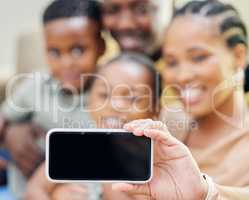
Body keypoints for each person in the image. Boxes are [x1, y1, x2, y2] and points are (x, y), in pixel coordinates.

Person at [110, 1, 249, 199]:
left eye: (199, 57)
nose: (182, 76)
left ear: (238, 56)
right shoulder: (158, 125)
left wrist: (206, 192)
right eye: (171, 62)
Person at [0, 0, 104, 199]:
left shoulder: (109, 93)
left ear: (101, 46)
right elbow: (3, 117)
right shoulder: (37, 86)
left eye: (78, 50)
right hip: (24, 191)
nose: (66, 63)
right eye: (54, 52)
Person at [24, 52, 160, 200]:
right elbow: (34, 190)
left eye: (132, 98)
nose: (115, 105)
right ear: (89, 102)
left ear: (155, 110)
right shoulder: (76, 145)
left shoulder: (157, 160)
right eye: (104, 95)